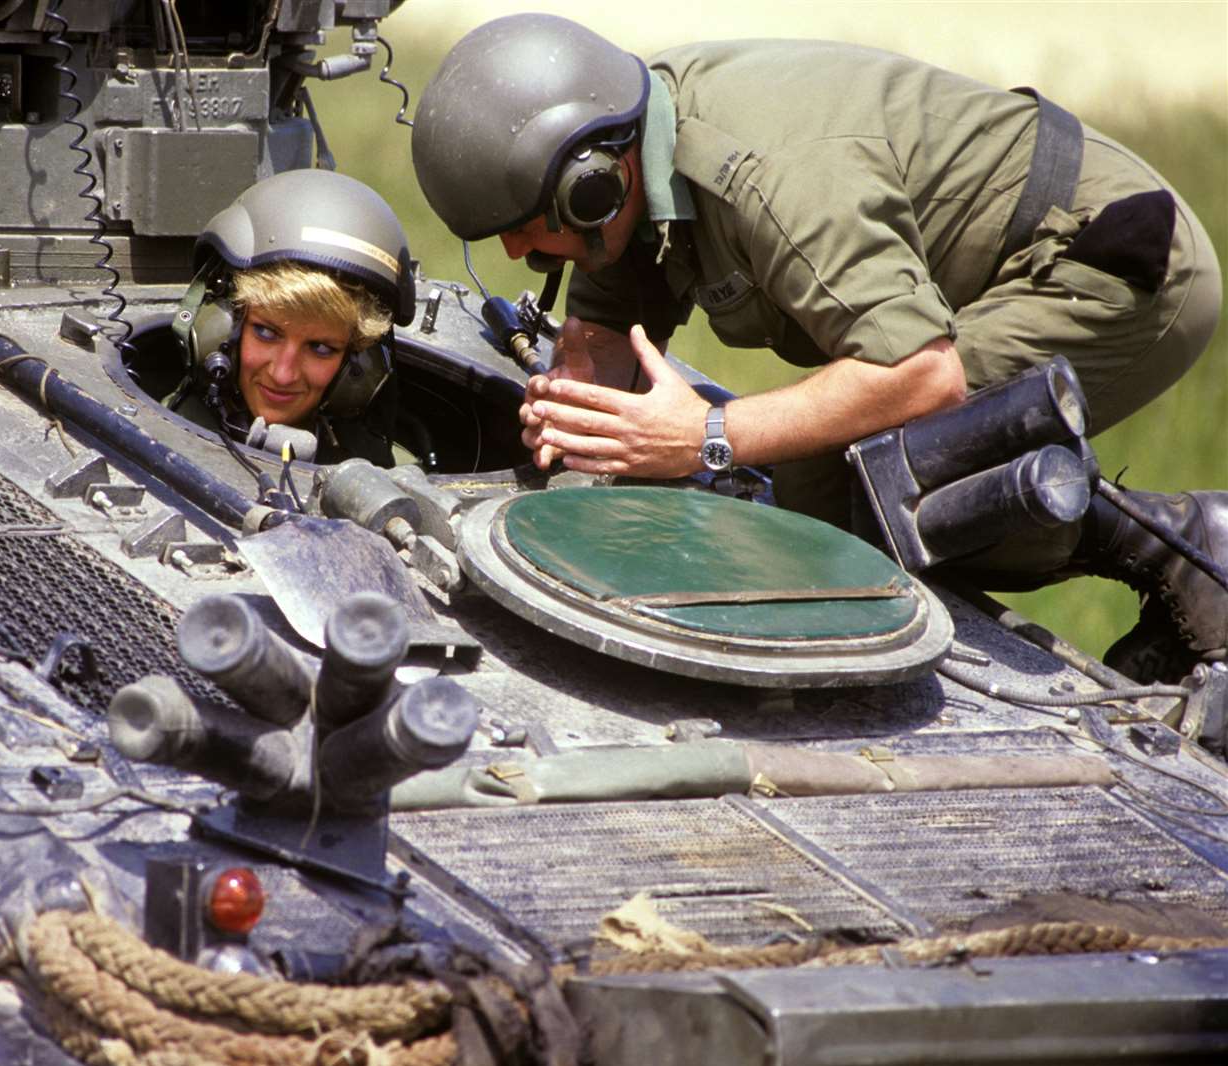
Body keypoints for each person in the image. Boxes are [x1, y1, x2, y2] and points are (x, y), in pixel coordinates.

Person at [411, 13, 1224, 679]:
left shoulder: (768, 174)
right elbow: (604, 328)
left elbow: (917, 372)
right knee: (800, 479)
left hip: (1103, 263)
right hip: (969, 292)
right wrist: (576, 421)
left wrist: (702, 436)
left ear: (593, 180)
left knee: (850, 497)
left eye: (525, 229)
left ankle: (1175, 540)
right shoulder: (628, 158)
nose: (518, 257)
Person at [169, 169, 416, 467]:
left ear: (358, 366)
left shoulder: (372, 465)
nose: (283, 374)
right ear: (223, 332)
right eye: (266, 332)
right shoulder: (158, 434)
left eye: (321, 349)